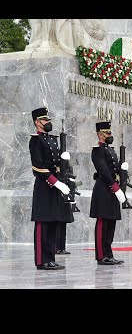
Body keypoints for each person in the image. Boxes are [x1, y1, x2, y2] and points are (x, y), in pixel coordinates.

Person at [29, 107, 70, 270]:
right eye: (45, 120)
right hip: (44, 186)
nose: (48, 123)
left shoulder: (53, 140)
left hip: (55, 186)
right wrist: (56, 182)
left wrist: (64, 162)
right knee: (43, 223)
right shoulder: (35, 141)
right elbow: (38, 166)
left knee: (53, 222)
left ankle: (50, 258)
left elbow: (55, 164)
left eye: (48, 120)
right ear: (37, 123)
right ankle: (41, 260)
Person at [90, 121, 127, 265]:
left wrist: (122, 169)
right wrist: (115, 187)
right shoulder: (97, 150)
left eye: (110, 132)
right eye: (107, 133)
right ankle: (101, 255)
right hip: (103, 189)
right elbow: (104, 171)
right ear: (100, 134)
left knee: (111, 223)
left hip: (112, 190)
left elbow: (113, 169)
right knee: (102, 223)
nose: (110, 135)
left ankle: (109, 254)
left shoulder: (111, 150)